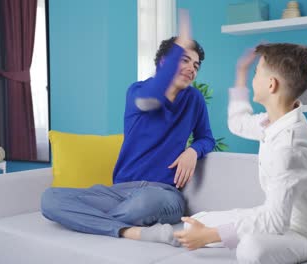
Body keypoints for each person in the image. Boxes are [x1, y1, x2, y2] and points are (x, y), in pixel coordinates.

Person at [40, 10, 215, 240]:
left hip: (162, 194)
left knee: (143, 204)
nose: (192, 69)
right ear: (164, 62)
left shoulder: (194, 99)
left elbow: (207, 138)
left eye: (196, 65)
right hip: (119, 191)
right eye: (184, 60)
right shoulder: (138, 92)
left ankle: (94, 223)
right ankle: (131, 232)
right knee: (50, 199)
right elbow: (153, 99)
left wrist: (193, 150)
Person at [163, 43, 307, 264]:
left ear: (271, 85)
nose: (253, 79)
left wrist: (210, 236)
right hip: (277, 217)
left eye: (256, 73)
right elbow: (238, 123)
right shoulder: (272, 121)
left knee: (250, 249)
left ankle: (218, 235)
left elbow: (275, 222)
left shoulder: (291, 146)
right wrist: (241, 73)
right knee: (193, 223)